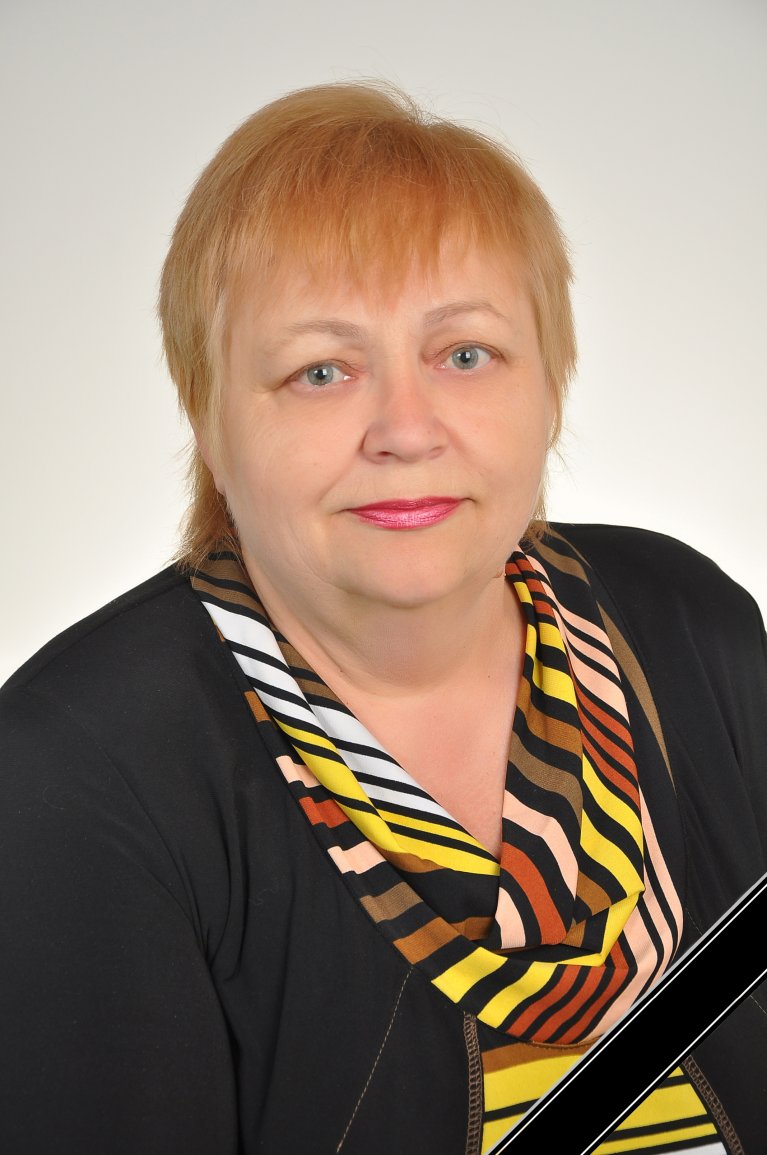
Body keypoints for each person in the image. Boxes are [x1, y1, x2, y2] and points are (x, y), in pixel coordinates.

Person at [1, 81, 765, 1155]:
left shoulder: (689, 625)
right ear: (207, 418)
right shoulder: (76, 771)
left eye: (465, 354)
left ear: (550, 384)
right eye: (321, 371)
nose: (405, 429)